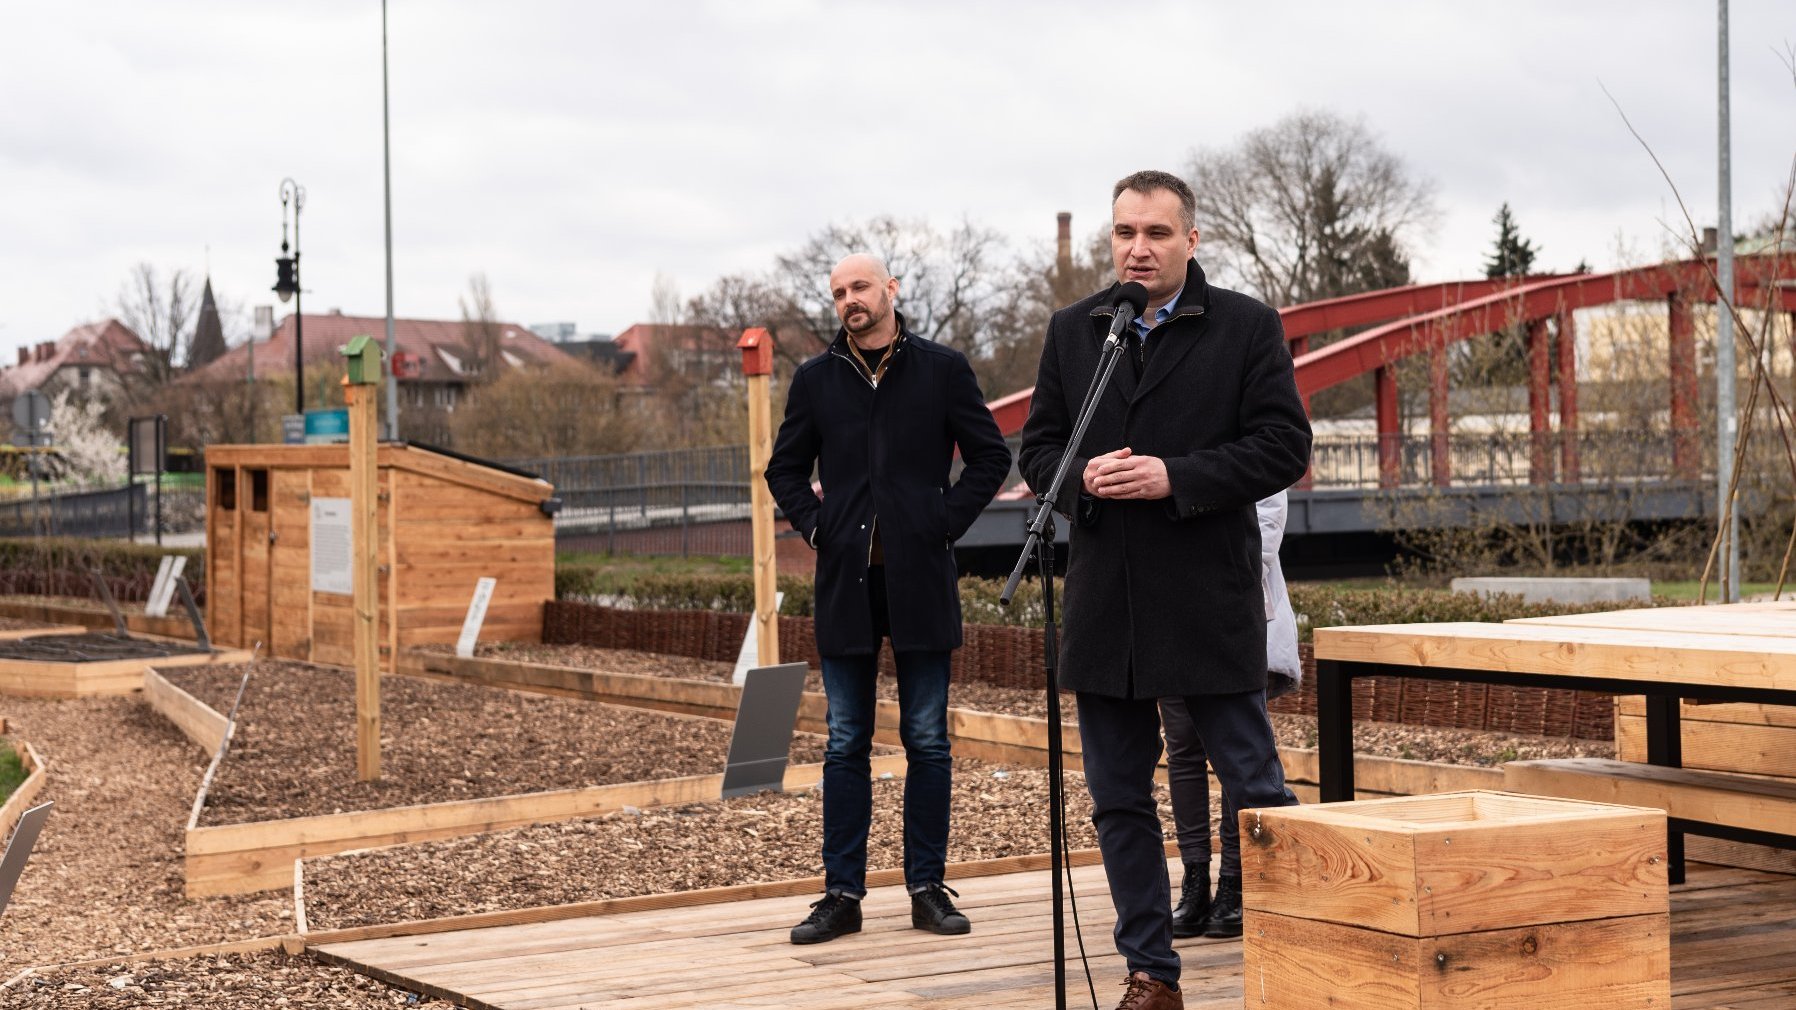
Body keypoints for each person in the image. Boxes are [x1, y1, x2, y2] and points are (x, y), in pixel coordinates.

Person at [1018, 171, 1311, 1009]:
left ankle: (1300, 957)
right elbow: (1036, 450)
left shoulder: (1246, 326)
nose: (1136, 249)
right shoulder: (1078, 331)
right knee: (1118, 797)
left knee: (1255, 786)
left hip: (1207, 599)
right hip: (1107, 603)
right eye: (1123, 234)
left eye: (1154, 234)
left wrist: (1171, 477)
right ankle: (1152, 974)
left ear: (1190, 239)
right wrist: (1081, 479)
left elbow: (1283, 447)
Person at [766, 253, 1011, 946]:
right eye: (840, 291)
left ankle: (926, 889)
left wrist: (941, 522)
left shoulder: (942, 369)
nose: (850, 299)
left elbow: (991, 456)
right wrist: (818, 526)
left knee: (927, 741)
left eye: (861, 287)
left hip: (921, 580)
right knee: (845, 744)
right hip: (846, 584)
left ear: (891, 290)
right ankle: (841, 894)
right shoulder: (816, 378)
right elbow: (783, 468)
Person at [1161, 489, 1301, 941]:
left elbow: (1268, 517)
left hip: (1231, 607)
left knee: (1235, 754)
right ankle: (1195, 879)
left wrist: (1229, 584)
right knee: (1181, 747)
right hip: (1168, 605)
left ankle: (1235, 882)